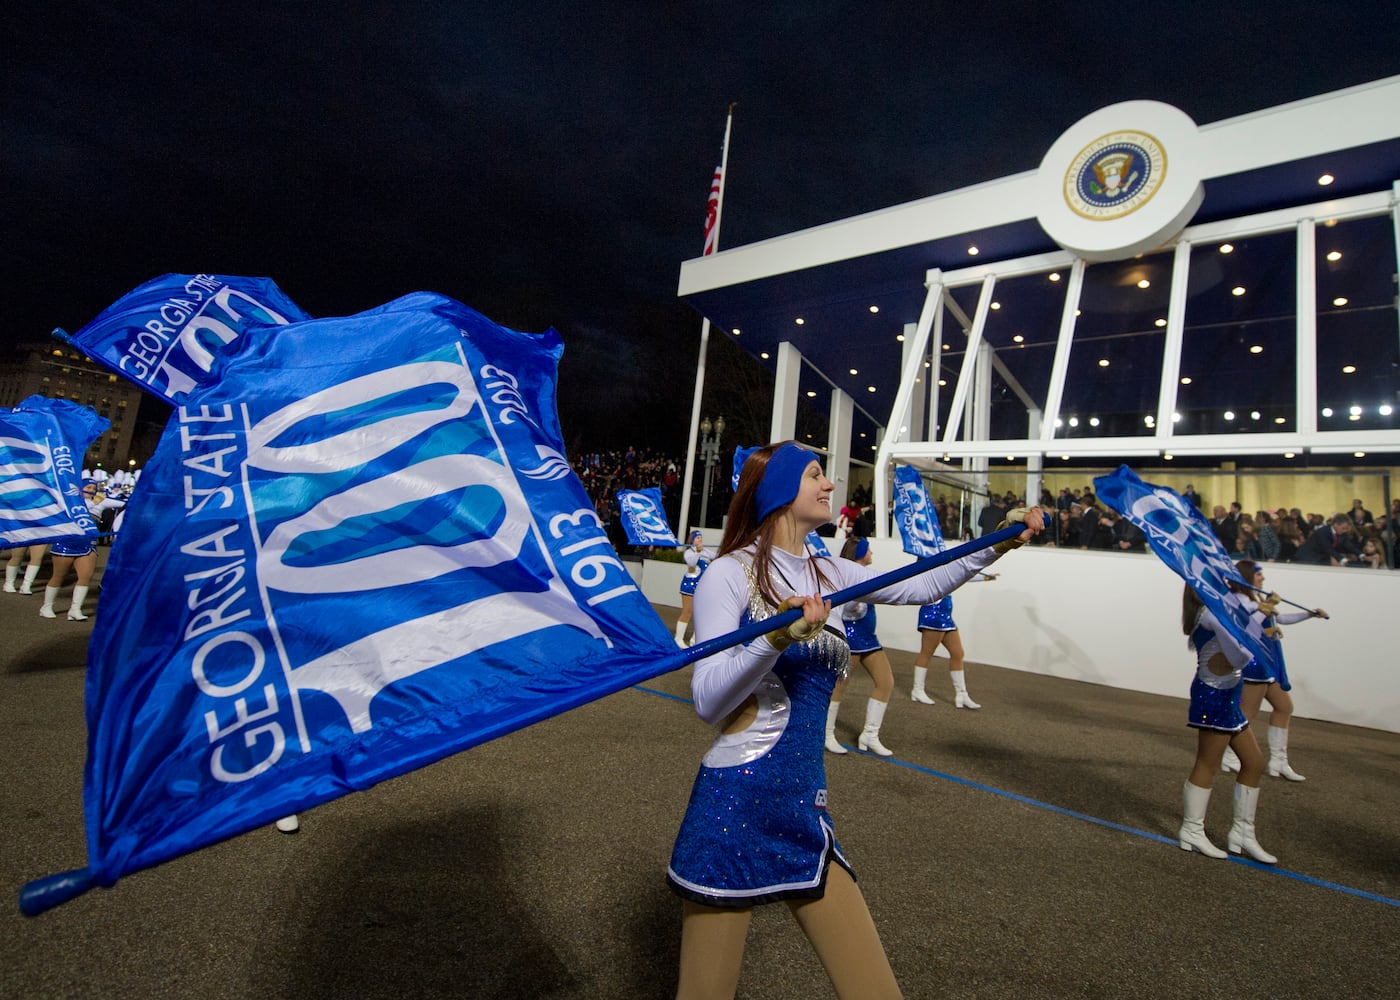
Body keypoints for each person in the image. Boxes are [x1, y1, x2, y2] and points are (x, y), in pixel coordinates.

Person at [666, 441, 1043, 999]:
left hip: (805, 804)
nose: (830, 484)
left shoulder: (832, 570)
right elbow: (708, 702)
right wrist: (775, 637)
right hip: (736, 805)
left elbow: (924, 583)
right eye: (816, 475)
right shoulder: (728, 573)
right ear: (779, 490)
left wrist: (998, 545)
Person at [1177, 583, 1277, 864]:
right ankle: (1192, 830)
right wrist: (1255, 636)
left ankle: (1243, 833)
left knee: (1254, 763)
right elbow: (1239, 657)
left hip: (1228, 696)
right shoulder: (1209, 615)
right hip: (1213, 696)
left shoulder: (1217, 613)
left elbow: (1243, 629)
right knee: (1207, 763)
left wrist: (1261, 613)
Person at [1218, 561, 1327, 781]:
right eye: (1259, 575)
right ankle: (1229, 755)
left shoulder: (1255, 598)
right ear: (1249, 576)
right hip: (1254, 663)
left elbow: (1278, 618)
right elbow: (1246, 627)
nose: (1263, 579)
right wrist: (1264, 609)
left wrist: (1309, 614)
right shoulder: (1239, 600)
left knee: (1284, 707)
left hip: (1267, 662)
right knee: (1247, 712)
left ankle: (1278, 761)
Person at [826, 537, 897, 756]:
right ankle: (826, 734)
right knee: (839, 686)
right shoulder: (848, 573)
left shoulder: (865, 573)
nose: (872, 553)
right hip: (852, 639)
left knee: (886, 683)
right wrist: (855, 603)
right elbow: (844, 606)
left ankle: (869, 735)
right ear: (861, 552)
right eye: (869, 550)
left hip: (868, 638)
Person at [675, 530, 716, 646]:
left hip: (702, 586)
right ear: (692, 540)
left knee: (700, 613)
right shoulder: (688, 552)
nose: (700, 540)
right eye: (697, 538)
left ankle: (694, 640)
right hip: (690, 585)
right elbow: (692, 563)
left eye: (701, 538)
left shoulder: (705, 551)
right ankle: (678, 639)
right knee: (687, 612)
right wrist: (698, 551)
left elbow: (715, 556)